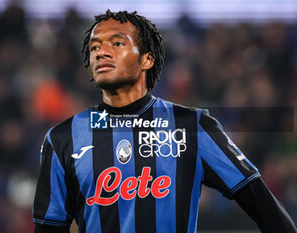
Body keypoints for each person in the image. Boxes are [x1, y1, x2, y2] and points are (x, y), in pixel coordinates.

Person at [33, 10, 297, 233]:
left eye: (116, 43)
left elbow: (262, 205)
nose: (101, 52)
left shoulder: (192, 126)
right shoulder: (62, 139)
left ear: (147, 58)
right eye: (94, 47)